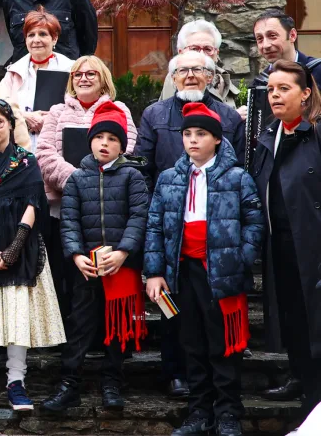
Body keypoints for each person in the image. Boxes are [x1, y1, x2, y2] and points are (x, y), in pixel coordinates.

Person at [144, 103, 263, 436]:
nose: (192, 140)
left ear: (216, 139)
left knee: (222, 343)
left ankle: (227, 413)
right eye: (187, 134)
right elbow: (155, 226)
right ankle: (199, 412)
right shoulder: (169, 178)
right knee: (191, 343)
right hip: (184, 272)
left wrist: (239, 258)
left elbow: (254, 222)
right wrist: (155, 272)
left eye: (200, 134)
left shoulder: (237, 177)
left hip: (221, 273)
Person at [0, 99, 66, 412]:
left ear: (10, 123)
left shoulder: (27, 161)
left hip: (23, 244)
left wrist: (15, 248)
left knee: (18, 316)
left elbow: (34, 203)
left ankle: (17, 381)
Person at [42, 101, 149, 414]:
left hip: (121, 266)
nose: (105, 143)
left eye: (113, 139)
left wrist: (123, 252)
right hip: (86, 267)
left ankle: (112, 381)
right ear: (90, 140)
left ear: (122, 145)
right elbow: (70, 221)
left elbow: (139, 216)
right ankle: (69, 383)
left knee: (117, 326)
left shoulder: (133, 177)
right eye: (100, 137)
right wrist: (76, 255)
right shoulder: (77, 178)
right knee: (81, 324)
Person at [37, 56, 136, 324]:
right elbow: (44, 153)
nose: (83, 78)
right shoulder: (57, 111)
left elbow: (127, 148)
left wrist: (92, 185)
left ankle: (106, 338)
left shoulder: (119, 109)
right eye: (78, 74)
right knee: (66, 273)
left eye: (91, 73)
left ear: (103, 78)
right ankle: (69, 334)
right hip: (62, 208)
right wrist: (79, 182)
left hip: (107, 211)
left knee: (102, 278)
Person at [250, 60, 321, 414]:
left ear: (305, 94)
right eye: (271, 90)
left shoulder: (317, 133)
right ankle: (299, 375)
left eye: (284, 89)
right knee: (292, 316)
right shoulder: (268, 136)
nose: (275, 96)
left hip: (314, 246)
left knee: (315, 319)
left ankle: (315, 391)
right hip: (279, 243)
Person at [0, 8, 75, 150]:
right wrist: (24, 117)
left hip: (57, 147)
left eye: (42, 34)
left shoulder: (71, 70)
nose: (36, 40)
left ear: (54, 38)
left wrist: (51, 120)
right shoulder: (13, 72)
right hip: (19, 148)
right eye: (31, 35)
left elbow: (78, 108)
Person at [159, 20, 239, 104]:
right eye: (194, 49)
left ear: (216, 54)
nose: (202, 54)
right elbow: (173, 114)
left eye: (207, 49)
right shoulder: (178, 77)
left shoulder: (222, 77)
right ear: (181, 53)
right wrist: (231, 115)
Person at [250, 8, 321, 89]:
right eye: (259, 38)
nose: (266, 45)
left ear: (292, 35)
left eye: (272, 36)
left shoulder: (318, 71)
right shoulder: (258, 84)